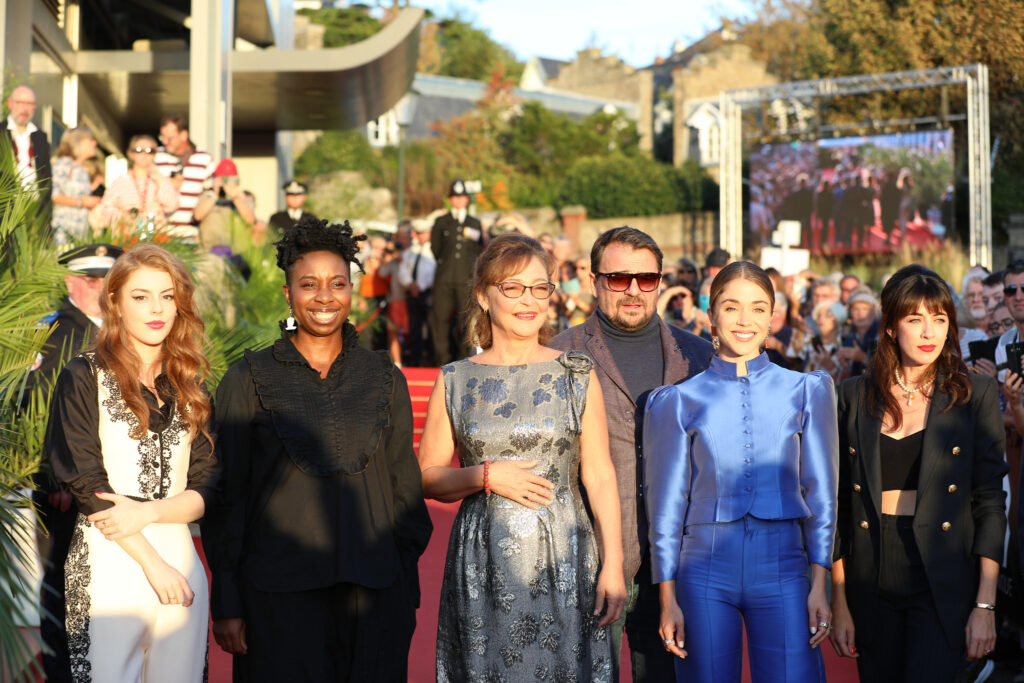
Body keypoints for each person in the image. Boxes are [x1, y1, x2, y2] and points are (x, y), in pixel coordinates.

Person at [202, 216, 432, 681]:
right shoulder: (247, 377)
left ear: (353, 290)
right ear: (288, 294)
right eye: (309, 284)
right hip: (276, 599)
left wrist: (404, 591)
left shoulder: (384, 376)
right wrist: (228, 601)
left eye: (337, 283)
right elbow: (226, 496)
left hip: (374, 595)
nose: (324, 297)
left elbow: (404, 487)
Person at [420, 233, 625, 682]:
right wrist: (485, 476)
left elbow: (599, 474)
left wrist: (613, 565)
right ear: (483, 295)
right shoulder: (455, 380)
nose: (528, 300)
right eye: (512, 288)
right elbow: (428, 478)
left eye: (539, 287)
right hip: (483, 562)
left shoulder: (576, 374)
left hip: (566, 558)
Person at [645, 260, 838, 682]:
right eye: (731, 307)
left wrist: (820, 583)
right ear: (711, 314)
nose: (744, 320)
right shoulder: (676, 401)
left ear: (773, 316)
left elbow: (822, 493)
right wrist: (667, 596)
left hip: (785, 567)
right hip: (703, 570)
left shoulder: (807, 390)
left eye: (758, 307)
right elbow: (666, 506)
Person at [44, 244, 219, 682]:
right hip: (109, 562)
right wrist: (151, 562)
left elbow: (209, 486)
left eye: (167, 295)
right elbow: (86, 482)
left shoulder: (192, 386)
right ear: (115, 303)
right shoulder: (82, 375)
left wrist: (152, 513)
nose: (156, 308)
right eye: (140, 297)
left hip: (182, 562)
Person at [549, 226, 713, 681]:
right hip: (589, 559)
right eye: (619, 279)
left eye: (647, 279)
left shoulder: (699, 356)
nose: (634, 290)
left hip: (680, 564)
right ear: (594, 279)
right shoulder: (557, 356)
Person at [830, 264, 1007, 682]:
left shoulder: (973, 394)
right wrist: (838, 599)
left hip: (944, 570)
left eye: (940, 319)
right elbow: (836, 504)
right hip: (870, 571)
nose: (929, 332)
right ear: (890, 326)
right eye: (915, 319)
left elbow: (990, 504)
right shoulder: (852, 396)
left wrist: (985, 605)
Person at [29, 243, 124, 683]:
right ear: (72, 283)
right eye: (95, 281)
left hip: (107, 487)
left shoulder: (109, 331)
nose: (105, 290)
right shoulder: (59, 335)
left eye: (108, 281)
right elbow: (40, 415)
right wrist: (59, 482)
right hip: (67, 491)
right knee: (65, 593)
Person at [430, 178, 484, 364]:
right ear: (450, 199)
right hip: (444, 278)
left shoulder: (474, 223)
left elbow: (477, 250)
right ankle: (441, 361)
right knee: (440, 320)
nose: (459, 200)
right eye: (455, 197)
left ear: (467, 200)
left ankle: (463, 360)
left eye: (462, 197)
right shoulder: (441, 222)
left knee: (465, 320)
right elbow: (436, 249)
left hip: (465, 279)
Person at [94, 135, 178, 235]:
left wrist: (160, 179)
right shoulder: (120, 182)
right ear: (131, 153)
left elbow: (172, 205)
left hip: (154, 236)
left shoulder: (160, 180)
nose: (144, 154)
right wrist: (124, 217)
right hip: (126, 235)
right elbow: (105, 209)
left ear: (154, 155)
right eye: (138, 150)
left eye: (149, 150)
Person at [154, 114, 215, 239]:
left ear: (183, 135)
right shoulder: (156, 156)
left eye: (169, 138)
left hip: (191, 235)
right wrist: (167, 185)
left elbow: (211, 192)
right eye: (162, 137)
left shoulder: (204, 158)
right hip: (161, 235)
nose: (165, 142)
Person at [50, 126, 101, 245]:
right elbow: (55, 195)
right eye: (90, 140)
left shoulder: (83, 169)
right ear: (78, 142)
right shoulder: (63, 164)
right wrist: (82, 202)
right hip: (64, 232)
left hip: (81, 234)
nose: (95, 143)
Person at [192, 158, 256, 250]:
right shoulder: (208, 196)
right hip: (208, 252)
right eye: (223, 179)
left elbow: (250, 221)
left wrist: (235, 198)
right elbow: (197, 216)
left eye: (228, 179)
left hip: (236, 254)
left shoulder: (243, 198)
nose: (226, 183)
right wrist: (216, 194)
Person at [5, 85, 51, 211]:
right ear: (10, 104)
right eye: (20, 102)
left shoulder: (40, 137)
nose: (25, 108)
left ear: (35, 106)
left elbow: (46, 177)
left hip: (34, 210)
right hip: (5, 207)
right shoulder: (1, 132)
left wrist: (45, 213)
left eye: (29, 103)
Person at [398, 221, 435, 366]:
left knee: (432, 326)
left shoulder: (434, 250)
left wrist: (420, 286)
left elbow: (434, 273)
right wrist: (410, 284)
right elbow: (403, 271)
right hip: (412, 293)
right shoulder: (410, 252)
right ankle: (416, 359)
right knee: (414, 327)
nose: (420, 236)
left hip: (427, 293)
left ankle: (431, 357)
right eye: (418, 233)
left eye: (423, 233)